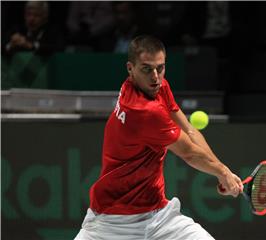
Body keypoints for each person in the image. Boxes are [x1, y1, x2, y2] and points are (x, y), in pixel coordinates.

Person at [75, 35, 243, 240]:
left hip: (159, 217)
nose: (155, 77)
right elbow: (189, 153)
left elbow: (189, 130)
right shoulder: (142, 111)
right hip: (112, 221)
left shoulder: (157, 87)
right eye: (147, 69)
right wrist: (222, 172)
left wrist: (221, 172)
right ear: (130, 69)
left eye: (160, 68)